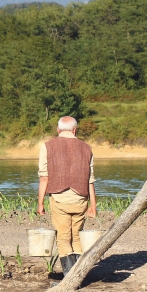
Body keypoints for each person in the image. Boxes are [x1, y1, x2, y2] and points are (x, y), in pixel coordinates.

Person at [37, 116, 97, 276]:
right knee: (77, 237)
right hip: (81, 199)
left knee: (63, 237)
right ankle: (78, 276)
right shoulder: (87, 148)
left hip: (59, 198)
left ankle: (70, 278)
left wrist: (40, 202)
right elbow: (90, 180)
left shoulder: (47, 146)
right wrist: (93, 205)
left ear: (58, 130)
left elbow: (44, 177)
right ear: (74, 130)